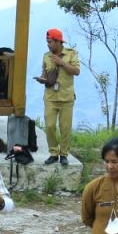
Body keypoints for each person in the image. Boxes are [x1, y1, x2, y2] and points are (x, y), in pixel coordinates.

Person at [39, 28, 80, 166]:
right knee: (50, 126)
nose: (48, 44)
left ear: (58, 41)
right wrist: (42, 79)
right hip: (50, 96)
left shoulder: (71, 54)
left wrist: (62, 63)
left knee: (65, 128)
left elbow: (76, 71)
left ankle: (63, 154)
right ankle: (53, 153)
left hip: (66, 97)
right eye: (47, 42)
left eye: (50, 42)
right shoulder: (46, 56)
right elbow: (44, 72)